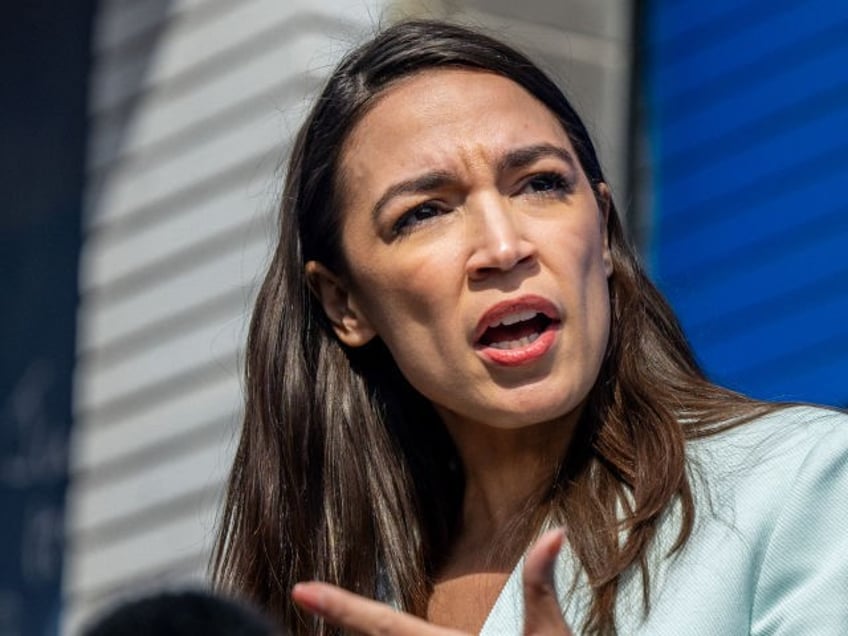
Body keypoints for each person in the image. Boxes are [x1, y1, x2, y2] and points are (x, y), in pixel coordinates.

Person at [211, 19, 848, 635]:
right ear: (344, 302)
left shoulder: (804, 484)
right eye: (425, 212)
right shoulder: (328, 598)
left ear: (601, 231)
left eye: (540, 183)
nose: (503, 244)